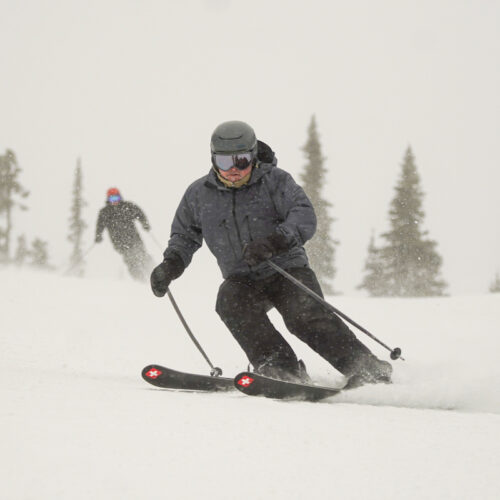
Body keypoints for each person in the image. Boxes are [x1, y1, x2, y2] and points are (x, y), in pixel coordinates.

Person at [150, 121, 392, 386]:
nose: (232, 170)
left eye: (241, 161)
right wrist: (171, 264)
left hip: (285, 269)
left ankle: (366, 368)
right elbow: (185, 235)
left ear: (253, 157)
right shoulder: (199, 194)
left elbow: (303, 215)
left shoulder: (275, 181)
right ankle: (281, 368)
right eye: (224, 161)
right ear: (213, 159)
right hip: (242, 277)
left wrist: (274, 242)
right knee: (229, 301)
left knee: (303, 317)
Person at [95, 187, 153, 281]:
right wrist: (98, 235)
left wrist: (144, 223)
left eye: (116, 198)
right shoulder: (105, 212)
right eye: (112, 199)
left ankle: (153, 272)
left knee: (142, 256)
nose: (114, 201)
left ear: (120, 197)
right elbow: (100, 225)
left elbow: (139, 213)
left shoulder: (127, 206)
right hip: (119, 242)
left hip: (134, 238)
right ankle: (140, 280)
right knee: (131, 261)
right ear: (108, 199)